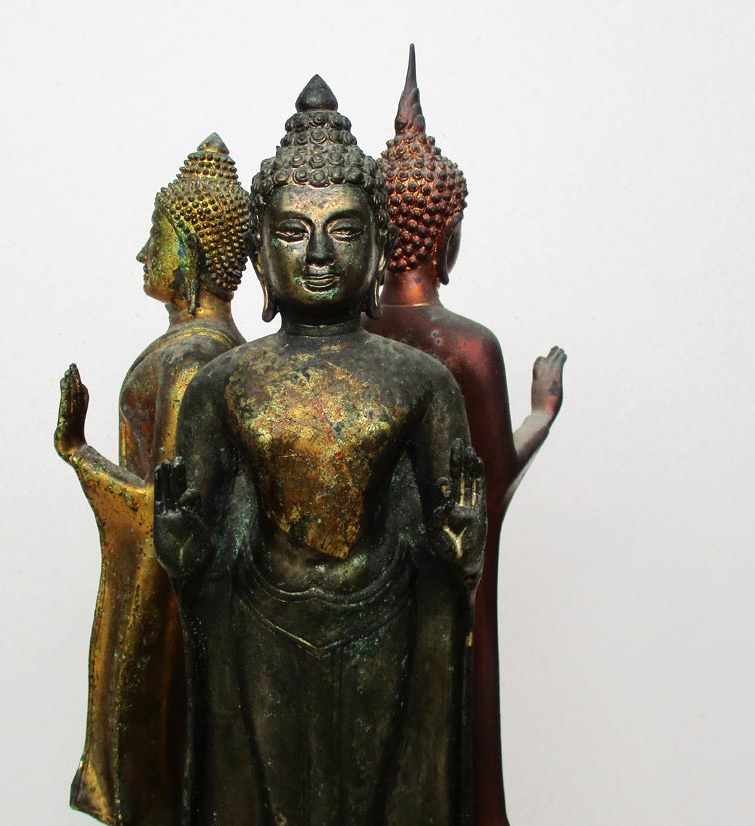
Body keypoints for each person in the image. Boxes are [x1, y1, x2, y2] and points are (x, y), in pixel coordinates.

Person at [153, 76, 487, 825]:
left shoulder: (422, 382)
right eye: (293, 231)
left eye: (343, 229)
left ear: (380, 245)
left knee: (374, 799)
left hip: (383, 613)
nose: (319, 254)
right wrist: (182, 547)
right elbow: (198, 544)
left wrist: (461, 543)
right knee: (271, 803)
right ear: (259, 253)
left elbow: (452, 537)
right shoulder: (223, 384)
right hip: (261, 618)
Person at [363, 46, 567, 826]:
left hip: (366, 599)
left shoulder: (351, 340)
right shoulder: (469, 349)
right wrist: (542, 413)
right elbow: (493, 484)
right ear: (444, 232)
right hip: (448, 588)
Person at [55, 134, 249, 826]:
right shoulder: (211, 352)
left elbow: (164, 509)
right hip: (182, 586)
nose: (143, 255)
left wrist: (77, 452)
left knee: (162, 767)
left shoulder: (195, 358)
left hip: (170, 597)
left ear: (189, 250)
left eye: (155, 238)